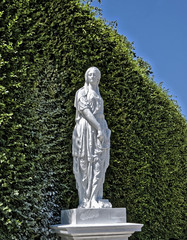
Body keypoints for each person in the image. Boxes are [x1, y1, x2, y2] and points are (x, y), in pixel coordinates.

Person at [72, 67, 112, 208]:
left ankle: (95, 197)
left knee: (99, 163)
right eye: (89, 73)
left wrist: (105, 130)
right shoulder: (81, 92)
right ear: (86, 76)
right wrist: (99, 128)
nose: (92, 75)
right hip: (86, 130)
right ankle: (85, 199)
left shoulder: (97, 93)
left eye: (95, 74)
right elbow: (86, 112)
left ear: (98, 78)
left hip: (100, 129)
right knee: (84, 163)